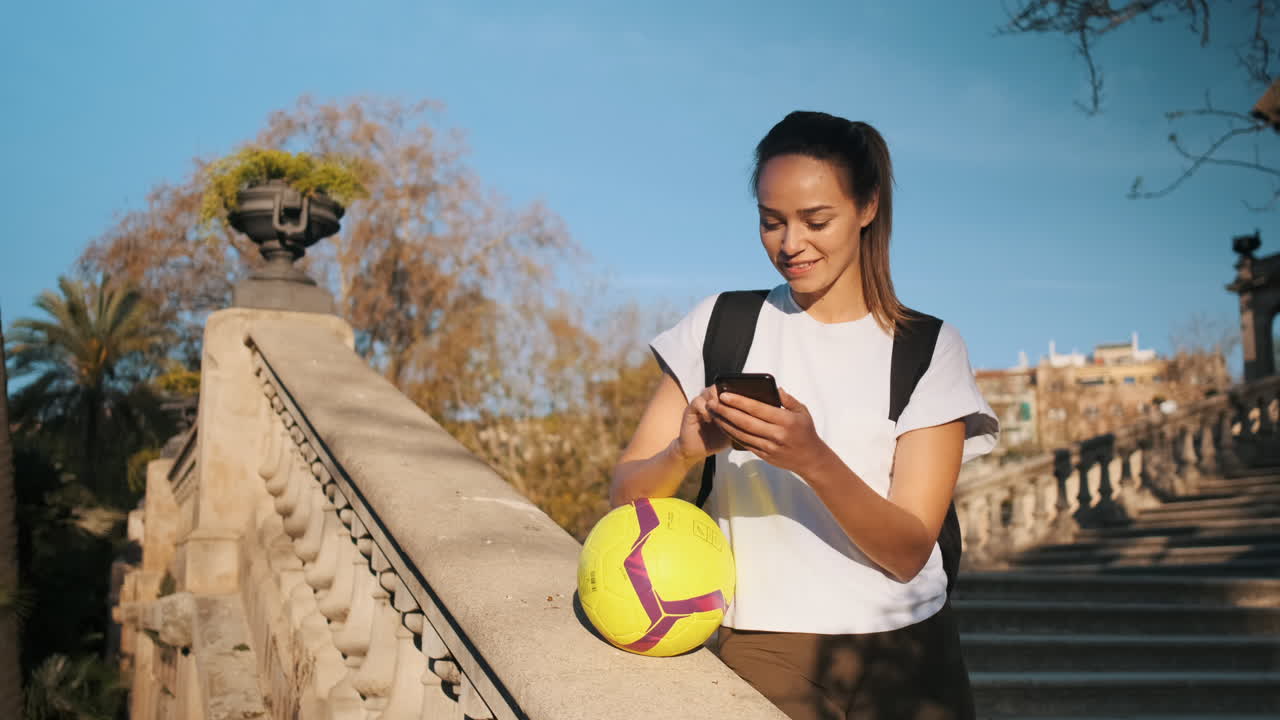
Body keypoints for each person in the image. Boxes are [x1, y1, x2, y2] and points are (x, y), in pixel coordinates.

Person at [608, 110, 998, 720]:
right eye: (771, 222)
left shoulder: (927, 347)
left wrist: (812, 459)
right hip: (761, 646)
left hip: (909, 653)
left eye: (816, 220)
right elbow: (623, 501)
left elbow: (907, 550)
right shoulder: (720, 324)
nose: (791, 244)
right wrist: (682, 453)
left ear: (867, 207)